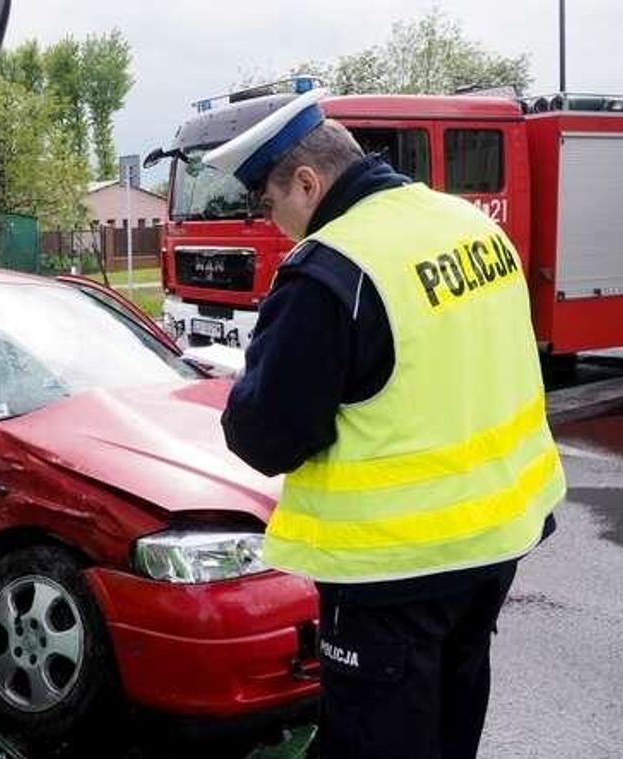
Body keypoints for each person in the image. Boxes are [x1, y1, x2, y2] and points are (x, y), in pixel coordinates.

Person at [210, 88, 564, 759]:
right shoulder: (468, 224)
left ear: (308, 183)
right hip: (496, 539)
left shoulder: (330, 268)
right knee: (452, 727)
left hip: (393, 569)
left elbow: (267, 436)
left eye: (270, 204)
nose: (273, 224)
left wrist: (245, 385)